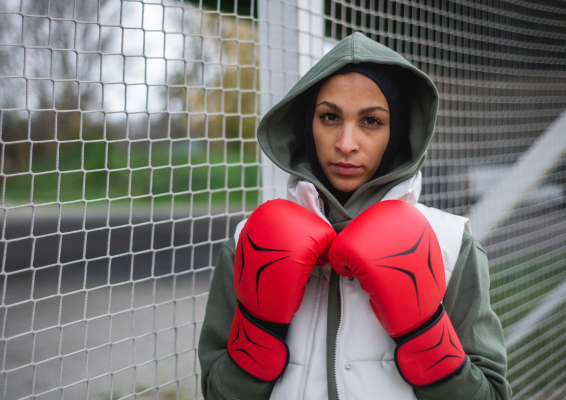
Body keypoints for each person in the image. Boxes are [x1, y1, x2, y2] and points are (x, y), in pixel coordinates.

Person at [198, 32, 511, 400]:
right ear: (306, 124)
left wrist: (424, 336)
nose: (346, 143)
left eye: (371, 121)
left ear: (397, 132)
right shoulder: (248, 239)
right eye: (330, 116)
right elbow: (217, 393)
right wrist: (260, 332)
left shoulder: (450, 242)